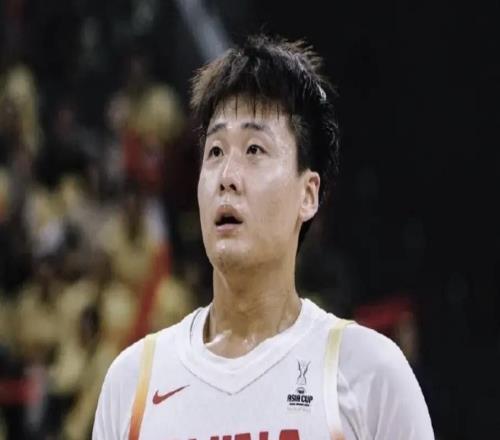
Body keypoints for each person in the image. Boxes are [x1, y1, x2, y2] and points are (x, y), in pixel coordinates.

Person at [93, 34, 435, 440]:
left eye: (254, 149)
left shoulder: (369, 374)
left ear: (307, 195)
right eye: (215, 151)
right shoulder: (132, 383)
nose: (227, 177)